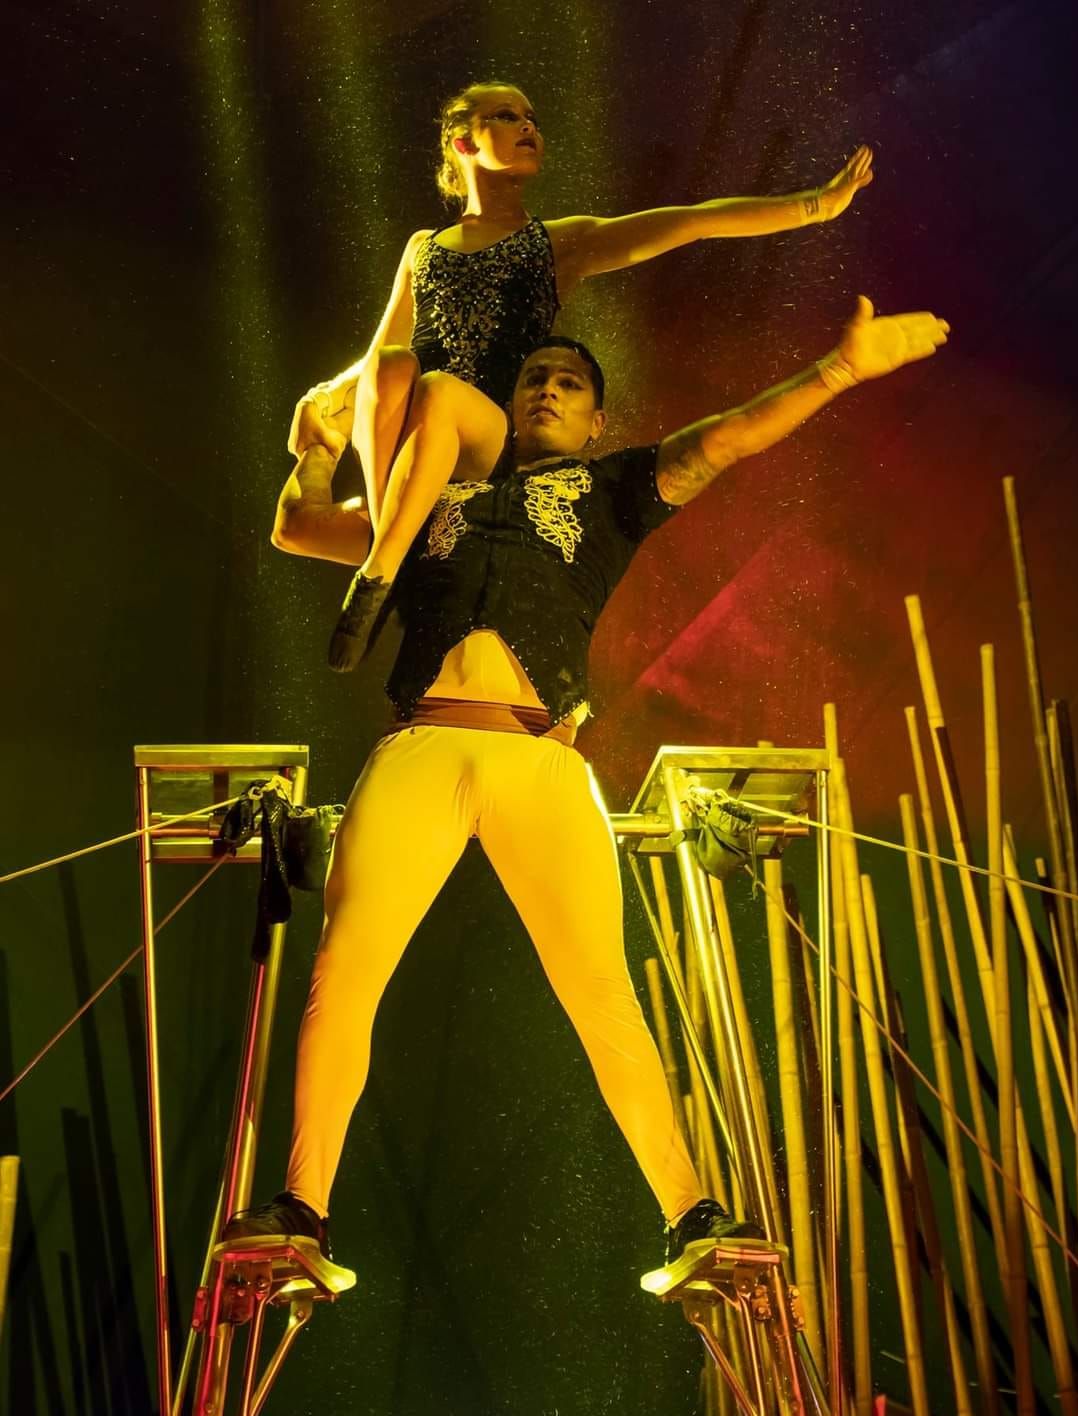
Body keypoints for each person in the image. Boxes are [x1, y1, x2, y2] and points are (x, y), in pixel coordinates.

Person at [226, 293, 949, 1269]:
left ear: (597, 419)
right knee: (344, 971)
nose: (549, 388)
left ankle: (690, 1214)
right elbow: (298, 525)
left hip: (543, 759)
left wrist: (839, 370)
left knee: (601, 988)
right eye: (534, 376)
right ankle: (302, 1210)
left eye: (570, 382)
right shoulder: (428, 498)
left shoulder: (613, 491)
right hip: (423, 745)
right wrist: (314, 446)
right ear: (506, 403)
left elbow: (729, 438)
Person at [290, 81, 874, 662]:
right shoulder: (423, 247)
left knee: (438, 390)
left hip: (489, 441)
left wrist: (814, 206)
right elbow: (381, 351)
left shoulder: (555, 244)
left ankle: (380, 571)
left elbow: (692, 222)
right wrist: (324, 397)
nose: (529, 127)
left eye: (532, 118)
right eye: (506, 116)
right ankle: (395, 536)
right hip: (414, 449)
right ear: (462, 143)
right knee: (392, 366)